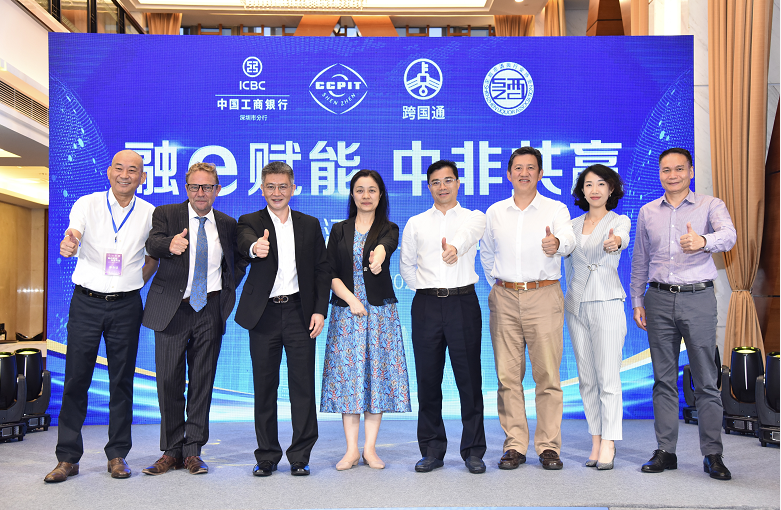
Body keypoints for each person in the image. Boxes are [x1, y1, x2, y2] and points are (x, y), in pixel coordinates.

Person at [45, 150, 158, 483]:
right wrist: (69, 243)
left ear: (142, 178)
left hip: (126, 305)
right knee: (76, 379)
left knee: (122, 381)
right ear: (109, 172)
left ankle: (117, 455)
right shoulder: (87, 204)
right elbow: (74, 233)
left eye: (133, 170)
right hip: (87, 303)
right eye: (119, 168)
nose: (125, 175)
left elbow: (153, 257)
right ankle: (67, 458)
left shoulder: (150, 213)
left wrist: (134, 282)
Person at [631, 147, 736, 480]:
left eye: (679, 169)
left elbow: (729, 236)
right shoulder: (648, 211)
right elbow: (640, 259)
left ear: (690, 171)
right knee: (663, 380)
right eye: (666, 170)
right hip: (658, 299)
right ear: (660, 174)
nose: (672, 175)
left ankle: (713, 454)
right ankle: (666, 451)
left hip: (698, 298)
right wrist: (637, 299)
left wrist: (702, 241)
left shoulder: (710, 205)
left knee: (706, 380)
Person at [141, 162, 247, 476]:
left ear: (217, 190)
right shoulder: (167, 214)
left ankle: (193, 452)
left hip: (209, 309)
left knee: (202, 381)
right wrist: (169, 245)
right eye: (194, 186)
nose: (201, 193)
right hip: (172, 309)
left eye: (207, 187)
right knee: (168, 381)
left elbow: (237, 261)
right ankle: (171, 451)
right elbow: (152, 243)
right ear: (186, 189)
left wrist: (226, 292)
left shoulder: (227, 223)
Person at [481, 146, 575, 471]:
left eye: (531, 167)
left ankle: (548, 446)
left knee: (547, 375)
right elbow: (486, 254)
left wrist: (557, 244)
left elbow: (568, 239)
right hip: (504, 297)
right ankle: (515, 445)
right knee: (508, 377)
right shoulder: (495, 212)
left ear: (540, 173)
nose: (524, 173)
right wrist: (500, 284)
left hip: (543, 295)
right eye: (518, 168)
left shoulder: (555, 208)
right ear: (509, 174)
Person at [235, 161, 331, 477]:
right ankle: (266, 456)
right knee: (265, 387)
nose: (277, 192)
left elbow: (321, 270)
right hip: (263, 314)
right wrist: (255, 247)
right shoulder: (250, 221)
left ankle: (300, 456)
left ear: (293, 189)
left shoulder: (309, 224)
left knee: (302, 386)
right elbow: (244, 242)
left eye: (283, 186)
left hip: (300, 312)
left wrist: (320, 310)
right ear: (262, 189)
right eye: (270, 186)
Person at [400, 160, 487, 474]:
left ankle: (473, 451)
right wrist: (427, 289)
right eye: (436, 182)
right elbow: (406, 266)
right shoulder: (416, 223)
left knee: (469, 380)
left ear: (458, 183)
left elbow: (470, 234)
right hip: (426, 305)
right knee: (427, 381)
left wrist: (455, 249)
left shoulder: (474, 217)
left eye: (448, 180)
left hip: (463, 303)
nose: (442, 186)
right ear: (428, 187)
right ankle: (432, 450)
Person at [320, 170, 411, 471]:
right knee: (349, 381)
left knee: (376, 380)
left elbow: (386, 245)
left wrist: (378, 256)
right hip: (347, 312)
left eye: (372, 190)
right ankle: (350, 451)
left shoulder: (389, 228)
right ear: (352, 195)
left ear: (380, 194)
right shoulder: (339, 230)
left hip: (380, 314)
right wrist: (351, 300)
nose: (366, 195)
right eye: (360, 190)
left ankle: (370, 449)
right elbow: (329, 272)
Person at [563, 164, 630, 471]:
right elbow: (565, 261)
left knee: (608, 378)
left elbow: (621, 239)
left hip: (607, 301)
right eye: (588, 184)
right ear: (582, 190)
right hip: (576, 304)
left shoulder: (618, 221)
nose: (594, 190)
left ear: (611, 188)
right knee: (587, 379)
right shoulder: (572, 225)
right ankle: (595, 438)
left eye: (601, 184)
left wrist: (616, 242)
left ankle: (610, 441)